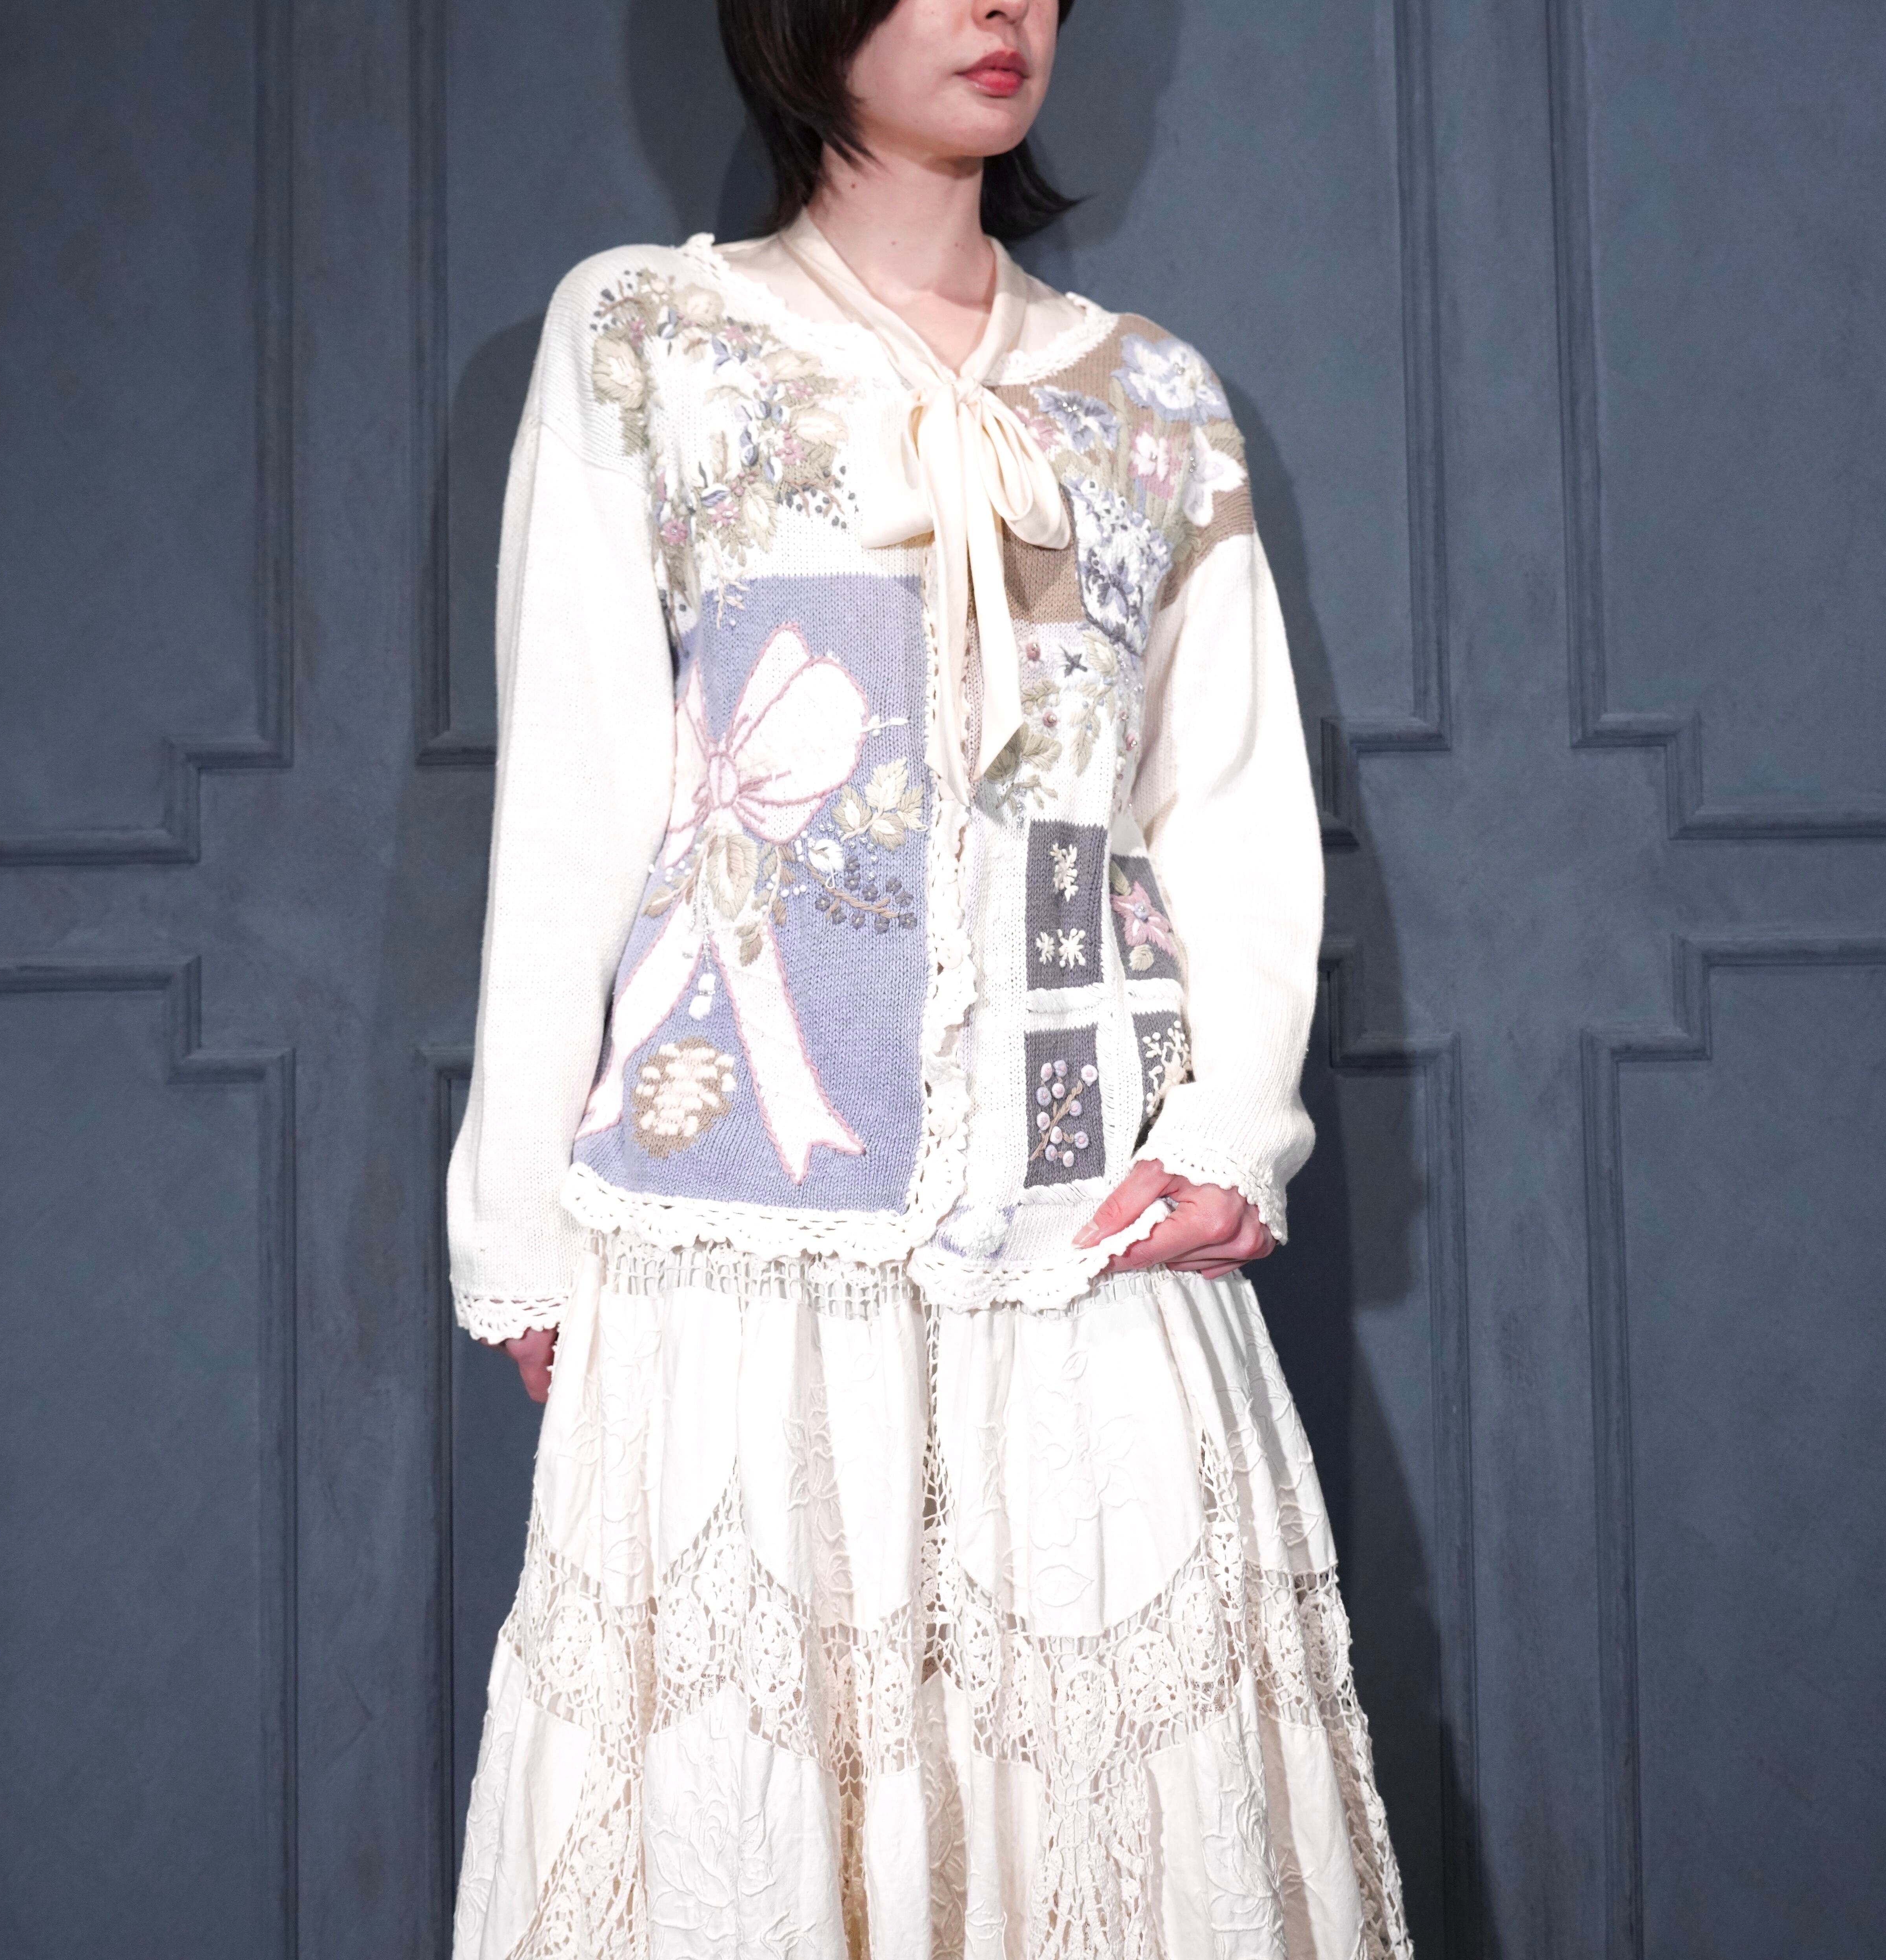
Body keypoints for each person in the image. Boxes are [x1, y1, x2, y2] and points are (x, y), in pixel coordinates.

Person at [446, 0, 1412, 1953]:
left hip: (1084, 1228)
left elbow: (1223, 799)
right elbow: (573, 798)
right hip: (745, 1252)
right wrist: (523, 1224)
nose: (1004, 10)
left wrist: (1233, 1125)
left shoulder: (1146, 398)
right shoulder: (650, 338)